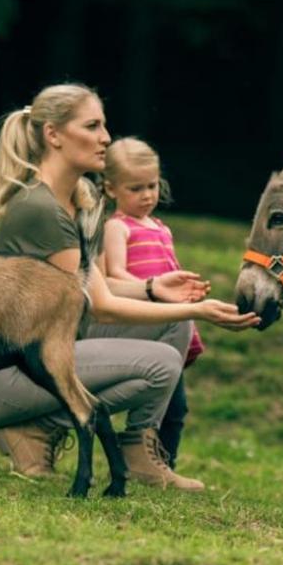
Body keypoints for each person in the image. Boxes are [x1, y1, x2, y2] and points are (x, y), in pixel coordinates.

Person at [0, 83, 258, 491]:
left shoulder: (78, 200)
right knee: (161, 364)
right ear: (53, 135)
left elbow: (94, 284)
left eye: (104, 125)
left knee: (175, 327)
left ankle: (138, 450)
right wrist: (198, 309)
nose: (106, 137)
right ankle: (34, 424)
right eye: (92, 126)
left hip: (48, 354)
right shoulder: (41, 209)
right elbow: (100, 306)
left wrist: (154, 288)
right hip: (6, 378)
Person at [101, 137, 203, 471]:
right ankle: (140, 456)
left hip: (167, 320)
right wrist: (154, 291)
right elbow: (115, 273)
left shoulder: (162, 228)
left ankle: (164, 464)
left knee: (177, 408)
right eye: (135, 188)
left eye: (152, 185)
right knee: (156, 395)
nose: (146, 195)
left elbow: (168, 268)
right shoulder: (117, 227)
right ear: (111, 189)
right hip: (142, 322)